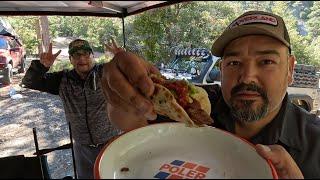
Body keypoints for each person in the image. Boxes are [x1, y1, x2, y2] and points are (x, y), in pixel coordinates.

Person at [101, 11, 320, 179]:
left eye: (266, 62)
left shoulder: (315, 143)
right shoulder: (195, 106)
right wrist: (120, 90)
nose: (247, 77)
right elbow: (127, 118)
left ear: (290, 69)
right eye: (234, 63)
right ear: (222, 69)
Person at [22, 39, 121, 179]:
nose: (81, 58)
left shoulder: (106, 73)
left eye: (86, 54)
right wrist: (42, 66)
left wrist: (122, 57)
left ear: (93, 56)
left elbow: (132, 74)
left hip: (111, 142)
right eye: (76, 55)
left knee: (114, 175)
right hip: (82, 148)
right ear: (70, 59)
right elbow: (29, 82)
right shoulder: (62, 79)